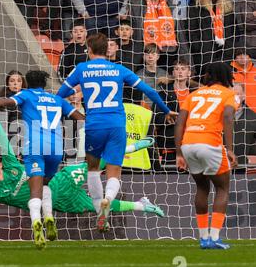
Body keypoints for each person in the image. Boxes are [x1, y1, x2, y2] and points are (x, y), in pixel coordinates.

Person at [0, 115, 164, 221]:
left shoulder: (11, 163)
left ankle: (132, 147)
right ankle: (144, 206)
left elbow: (4, 141)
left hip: (62, 181)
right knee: (99, 206)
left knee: (94, 164)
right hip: (63, 203)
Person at [57, 33, 177, 232]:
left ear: (89, 49)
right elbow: (151, 91)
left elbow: (60, 96)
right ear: (108, 50)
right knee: (114, 170)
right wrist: (166, 110)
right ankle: (109, 198)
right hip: (116, 125)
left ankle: (99, 210)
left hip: (94, 124)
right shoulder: (119, 69)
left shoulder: (81, 69)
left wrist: (76, 107)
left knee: (93, 169)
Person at [0, 70, 85, 250]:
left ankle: (37, 222)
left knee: (34, 189)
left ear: (27, 83)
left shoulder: (26, 94)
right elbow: (80, 119)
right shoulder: (58, 99)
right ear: (44, 84)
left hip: (35, 147)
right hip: (56, 149)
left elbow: (1, 103)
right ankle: (49, 216)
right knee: (46, 184)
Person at [175, 62, 238, 249]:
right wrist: (230, 148)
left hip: (188, 143)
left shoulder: (193, 95)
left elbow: (179, 122)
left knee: (202, 188)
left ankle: (203, 238)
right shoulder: (229, 94)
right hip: (210, 143)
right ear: (227, 76)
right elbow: (227, 117)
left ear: (208, 76)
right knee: (222, 188)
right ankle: (215, 237)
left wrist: (179, 152)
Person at [154, 58, 195, 165]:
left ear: (189, 72)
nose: (180, 71)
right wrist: (167, 118)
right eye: (177, 69)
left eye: (183, 69)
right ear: (172, 73)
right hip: (170, 145)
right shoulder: (163, 93)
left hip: (193, 143)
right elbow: (155, 118)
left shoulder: (196, 94)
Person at [135, 44, 170, 108]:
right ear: (143, 56)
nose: (150, 57)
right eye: (147, 54)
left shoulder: (164, 74)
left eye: (153, 54)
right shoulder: (138, 75)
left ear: (158, 56)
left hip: (162, 110)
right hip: (144, 110)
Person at [233, 83, 256, 167]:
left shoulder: (253, 117)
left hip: (243, 166)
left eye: (237, 94)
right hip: (221, 165)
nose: (234, 97)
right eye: (231, 94)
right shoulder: (218, 115)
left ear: (243, 96)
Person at [231, 49, 256, 114]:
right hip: (237, 111)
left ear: (249, 56)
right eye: (239, 55)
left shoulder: (255, 69)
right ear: (235, 57)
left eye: (245, 54)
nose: (242, 57)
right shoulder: (228, 71)